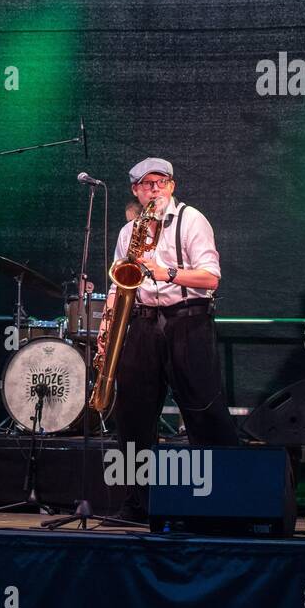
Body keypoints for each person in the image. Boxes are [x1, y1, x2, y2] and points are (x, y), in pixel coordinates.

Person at [100, 157, 239, 525]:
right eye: (147, 184)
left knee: (204, 412)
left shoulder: (192, 220)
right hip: (145, 322)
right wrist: (108, 321)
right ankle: (138, 504)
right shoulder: (128, 232)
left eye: (161, 182)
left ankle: (224, 502)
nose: (155, 189)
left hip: (188, 321)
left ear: (172, 186)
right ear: (136, 190)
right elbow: (120, 281)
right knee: (132, 414)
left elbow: (212, 278)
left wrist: (169, 272)